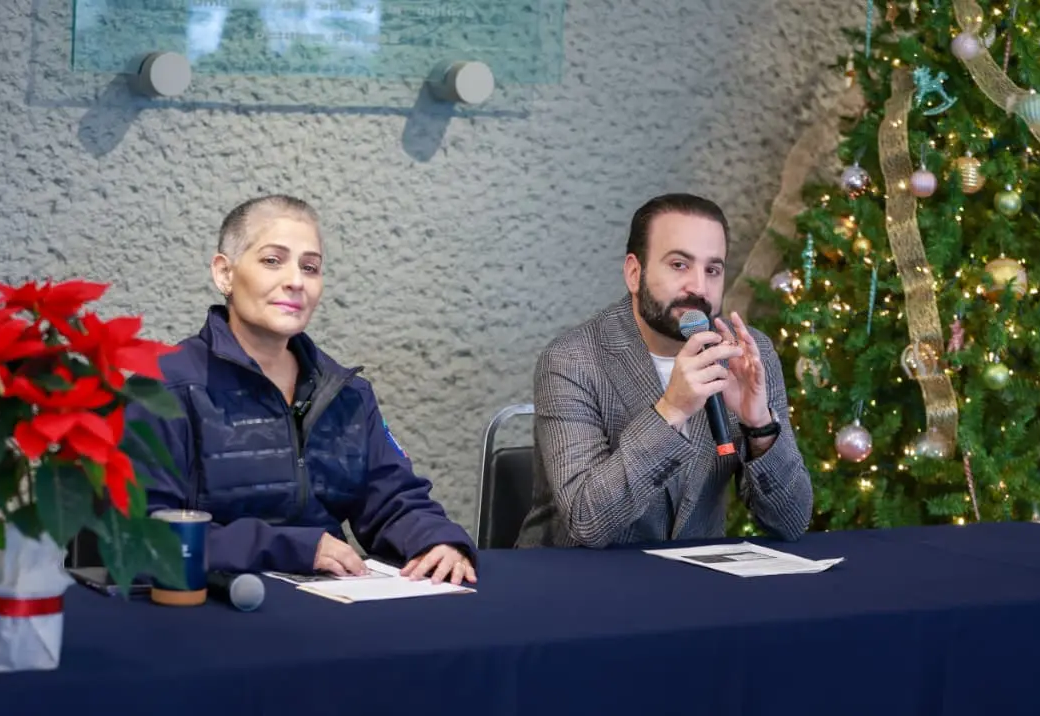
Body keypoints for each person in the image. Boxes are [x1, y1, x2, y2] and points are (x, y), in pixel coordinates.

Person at [135, 195, 476, 583]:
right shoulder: (165, 385)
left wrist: (437, 541)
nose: (296, 280)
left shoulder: (346, 394)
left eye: (310, 267)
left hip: (329, 610)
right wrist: (295, 547)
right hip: (206, 609)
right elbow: (146, 536)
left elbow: (393, 500)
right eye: (272, 261)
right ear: (224, 273)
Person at [516, 193, 812, 548]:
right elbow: (587, 523)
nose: (699, 287)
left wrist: (760, 427)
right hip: (578, 586)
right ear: (634, 272)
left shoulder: (745, 354)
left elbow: (791, 523)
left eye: (713, 270)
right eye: (679, 265)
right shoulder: (572, 360)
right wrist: (671, 410)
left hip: (693, 588)